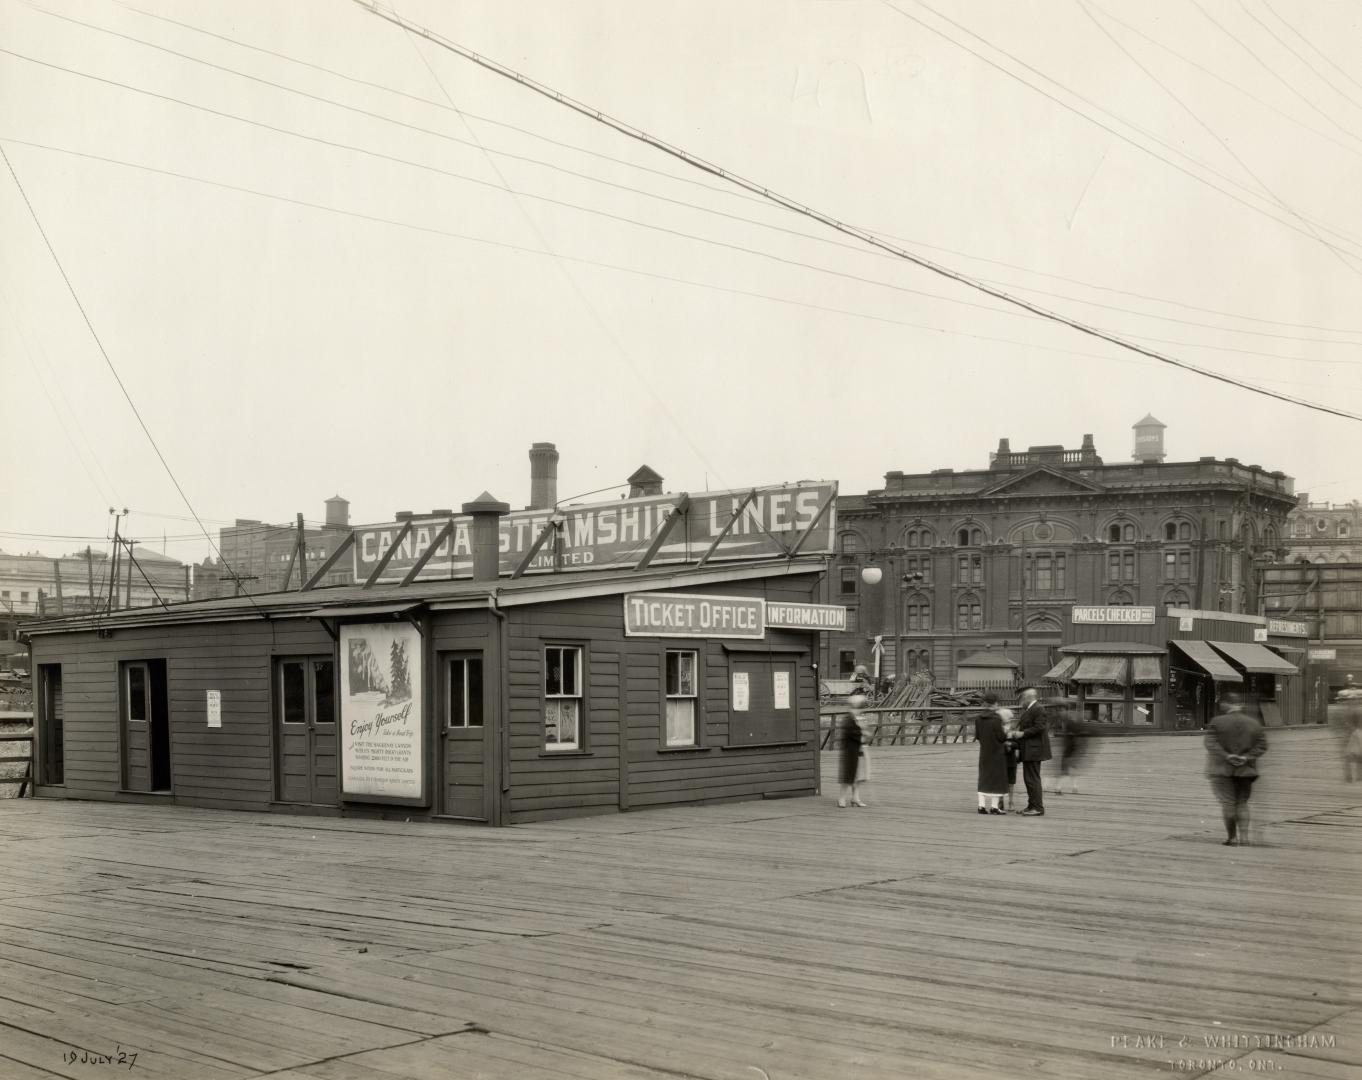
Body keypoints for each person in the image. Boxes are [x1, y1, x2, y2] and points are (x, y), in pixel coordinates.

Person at [1205, 691, 1268, 845]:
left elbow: (1210, 744)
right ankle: (1245, 838)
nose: (1220, 705)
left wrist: (1227, 756)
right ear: (1240, 705)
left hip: (1222, 770)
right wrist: (1246, 757)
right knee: (1242, 803)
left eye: (1222, 703)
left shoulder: (1217, 721)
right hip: (1246, 770)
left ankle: (1232, 838)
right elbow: (1262, 745)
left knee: (1227, 803)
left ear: (1226, 704)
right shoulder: (1254, 723)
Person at [1014, 687, 1052, 816]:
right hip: (1029, 749)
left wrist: (1022, 733)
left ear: (1028, 697)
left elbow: (1040, 727)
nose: (1021, 702)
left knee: (1032, 779)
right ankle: (1031, 805)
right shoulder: (1030, 709)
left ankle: (1037, 808)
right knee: (1028, 779)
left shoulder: (1038, 709)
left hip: (1034, 750)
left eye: (1022, 698)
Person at [974, 691, 1008, 814]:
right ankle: (994, 807)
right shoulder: (996, 719)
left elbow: (977, 736)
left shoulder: (978, 718)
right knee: (997, 779)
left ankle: (981, 806)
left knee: (984, 777)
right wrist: (1006, 730)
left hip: (984, 752)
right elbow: (1002, 737)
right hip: (997, 752)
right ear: (995, 704)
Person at [837, 693, 869, 808]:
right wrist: (862, 732)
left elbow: (866, 732)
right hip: (849, 751)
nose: (860, 710)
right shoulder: (848, 719)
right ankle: (841, 798)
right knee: (848, 775)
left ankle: (855, 797)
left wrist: (864, 732)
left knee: (858, 776)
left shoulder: (860, 718)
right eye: (859, 707)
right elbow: (851, 733)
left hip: (859, 750)